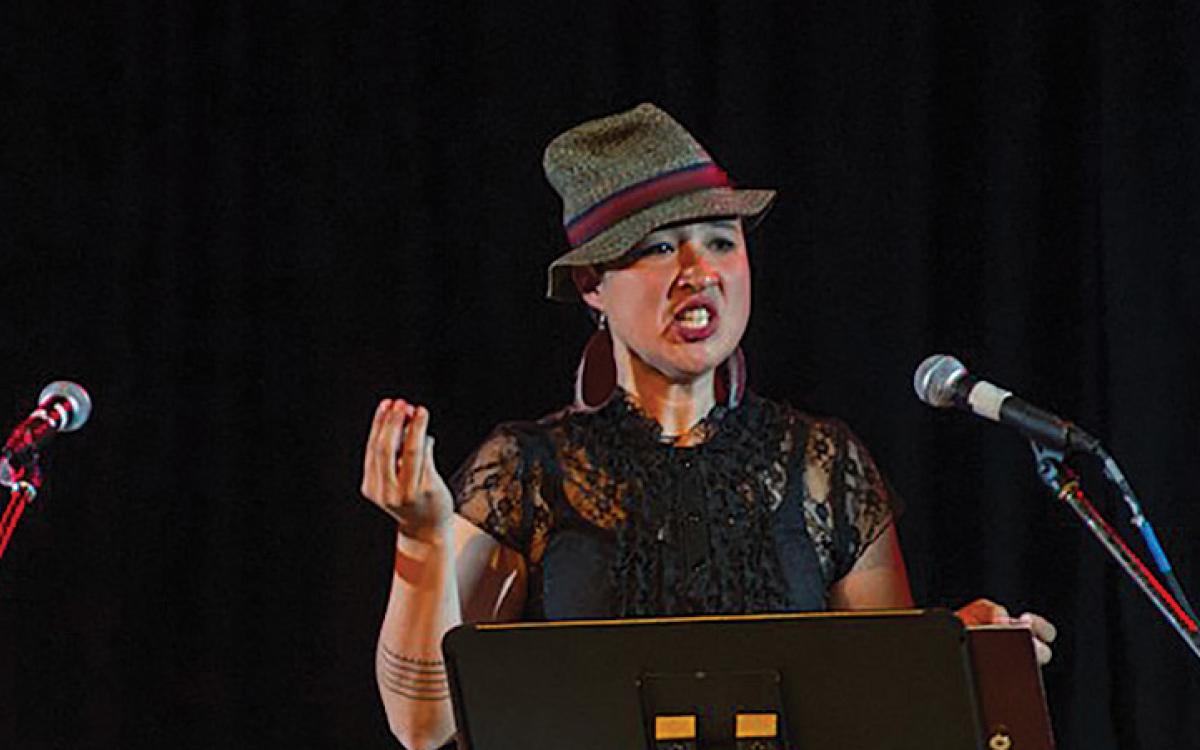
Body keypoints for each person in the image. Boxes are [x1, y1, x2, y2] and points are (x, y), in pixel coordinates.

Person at [359, 103, 1056, 750]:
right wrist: (420, 539)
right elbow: (423, 725)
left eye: (720, 241)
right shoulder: (527, 469)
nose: (699, 271)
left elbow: (884, 707)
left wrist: (962, 652)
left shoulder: (823, 464)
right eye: (658, 248)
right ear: (591, 286)